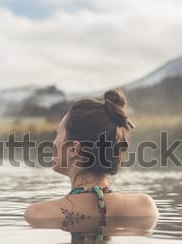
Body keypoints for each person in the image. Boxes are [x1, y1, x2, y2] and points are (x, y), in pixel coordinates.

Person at [25, 88, 159, 232]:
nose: (53, 143)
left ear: (73, 149)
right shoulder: (144, 207)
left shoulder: (39, 214)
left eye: (58, 134)